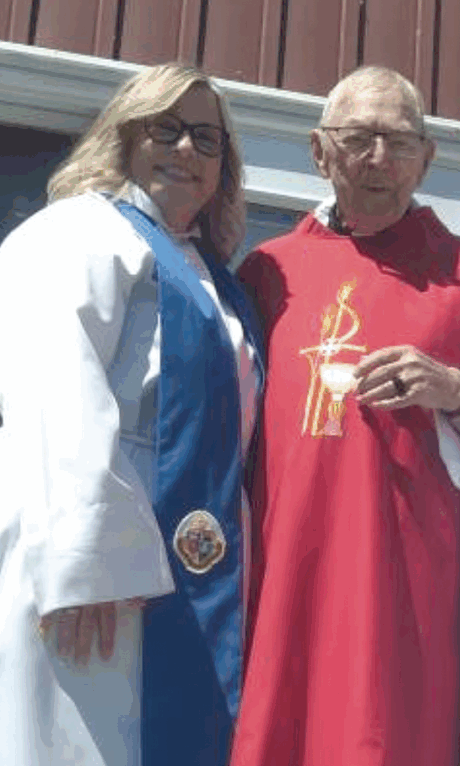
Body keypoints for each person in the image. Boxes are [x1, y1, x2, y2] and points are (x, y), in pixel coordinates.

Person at [230, 65, 460, 766]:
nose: (380, 159)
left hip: (407, 575)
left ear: (426, 159)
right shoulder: (268, 272)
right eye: (359, 139)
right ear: (320, 151)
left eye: (400, 143)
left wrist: (457, 392)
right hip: (288, 565)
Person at [0, 64, 263, 766]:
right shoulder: (77, 232)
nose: (185, 150)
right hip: (97, 552)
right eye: (164, 129)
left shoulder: (214, 279)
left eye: (206, 138)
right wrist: (85, 559)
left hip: (190, 561)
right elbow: (56, 387)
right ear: (124, 136)